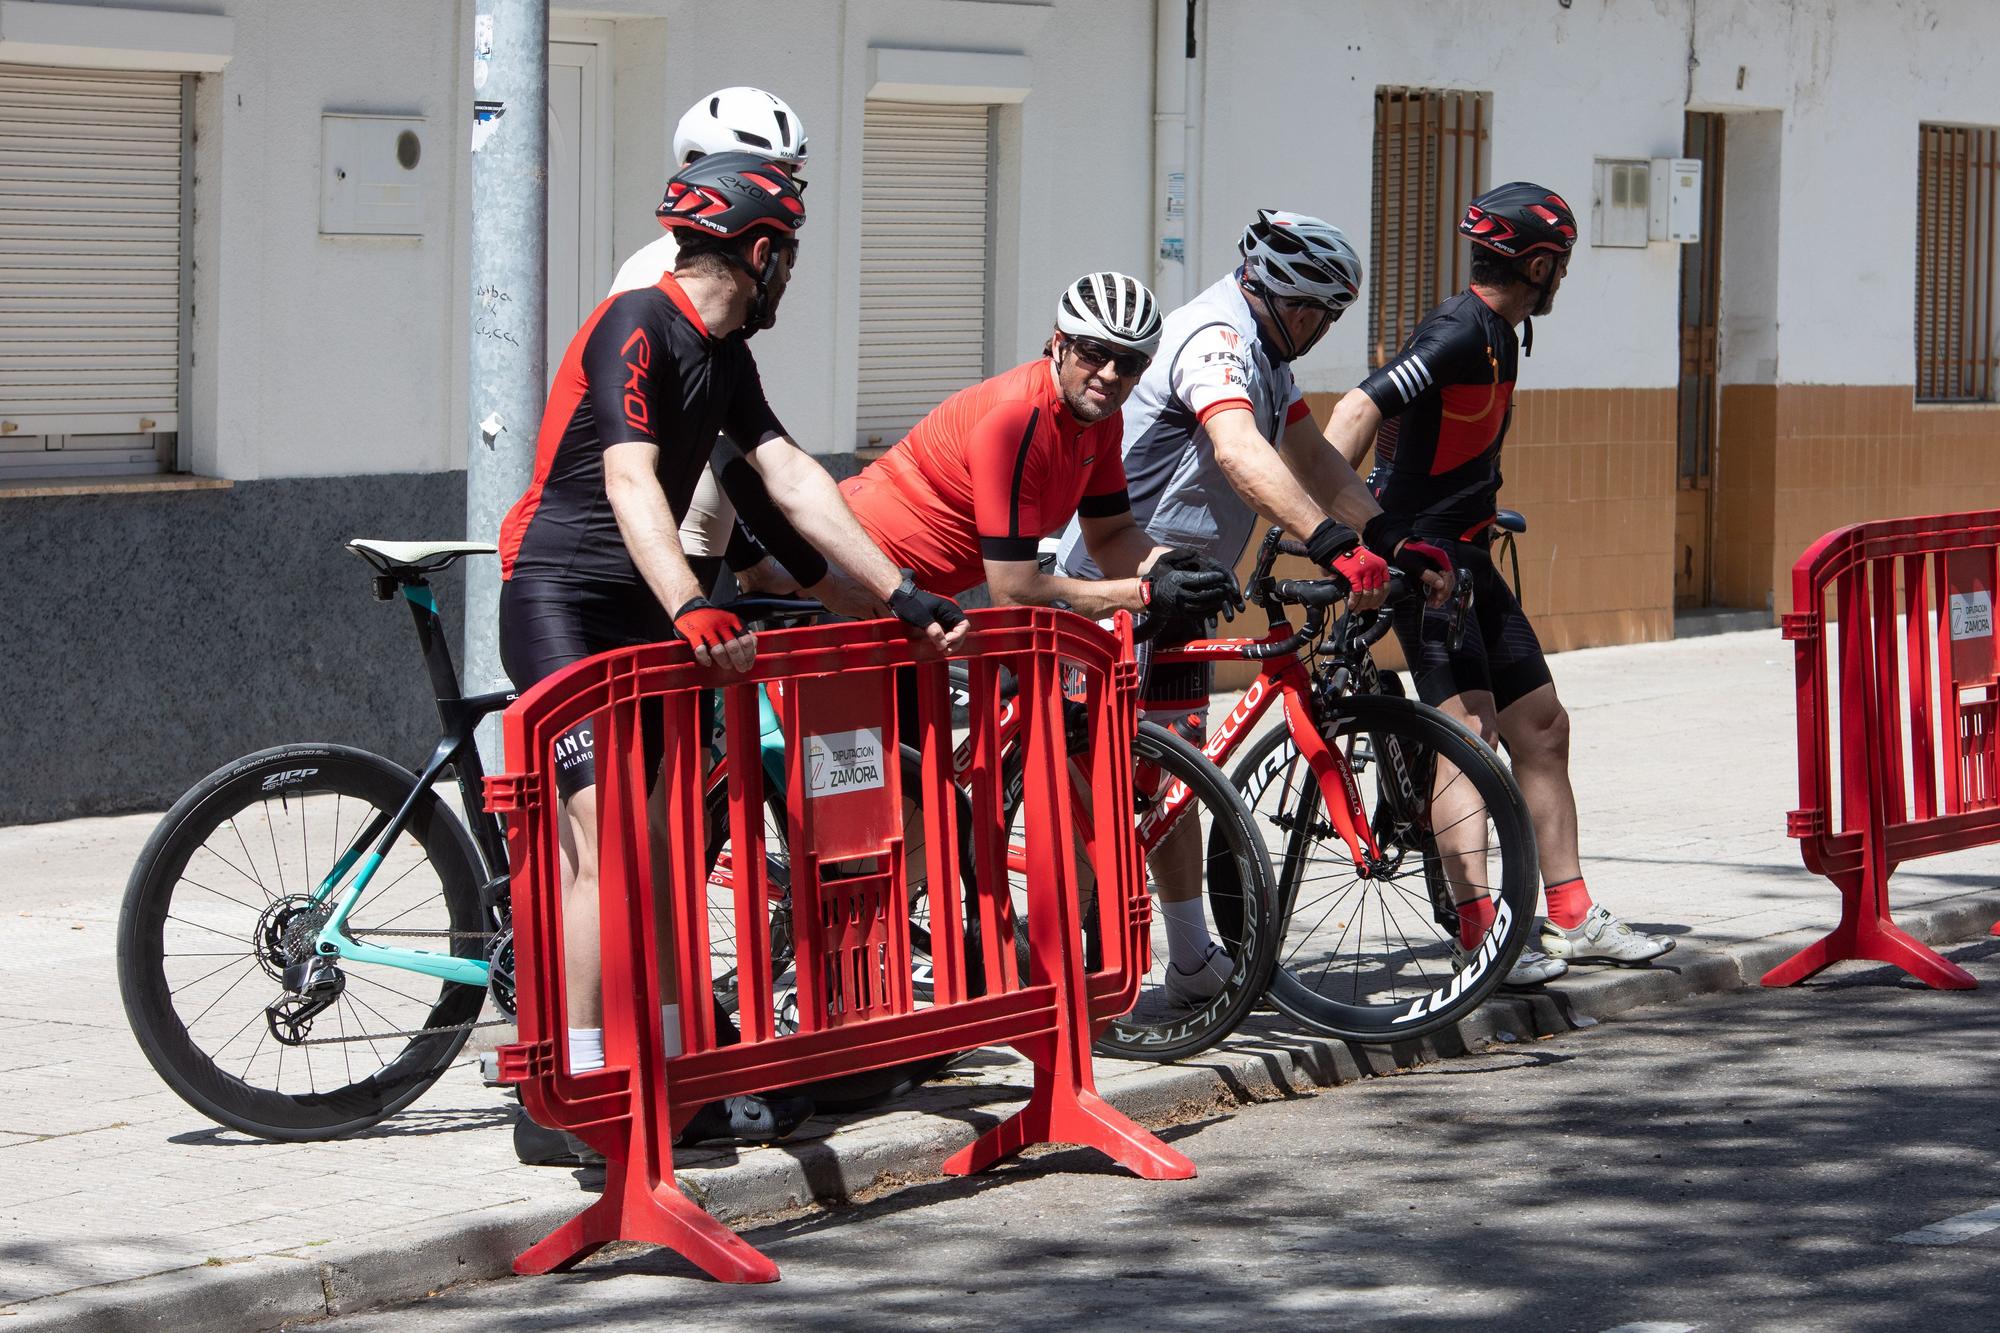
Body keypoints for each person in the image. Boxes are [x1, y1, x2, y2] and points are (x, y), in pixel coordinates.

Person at [496, 152, 967, 1159]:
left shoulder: (727, 357)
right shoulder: (637, 322)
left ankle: (676, 1078)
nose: (789, 279)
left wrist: (897, 590)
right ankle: (572, 1098)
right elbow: (628, 482)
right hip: (564, 603)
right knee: (605, 851)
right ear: (759, 251)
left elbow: (790, 474)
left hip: (647, 615)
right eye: (787, 258)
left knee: (665, 854)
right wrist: (689, 605)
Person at [1050, 212, 1465, 990]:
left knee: (1168, 781)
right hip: (1115, 587)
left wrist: (1388, 535)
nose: (1318, 328)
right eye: (1318, 312)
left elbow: (1309, 456)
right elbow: (1241, 451)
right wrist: (1329, 540)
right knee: (1094, 789)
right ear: (1287, 300)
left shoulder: (1265, 351)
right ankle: (1066, 977)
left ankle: (1193, 963)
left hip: (1179, 591)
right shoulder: (1218, 338)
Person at [839, 271, 1244, 1005]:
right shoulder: (1016, 420)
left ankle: (892, 969)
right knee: (886, 809)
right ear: (1058, 345)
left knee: (930, 802)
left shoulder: (1099, 422)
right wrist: (1141, 590)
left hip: (924, 603)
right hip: (862, 590)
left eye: (1132, 362)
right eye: (1095, 352)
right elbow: (1016, 589)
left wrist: (1174, 565)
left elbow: (1113, 532)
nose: (1112, 373)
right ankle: (831, 974)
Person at [1322, 180, 1673, 976]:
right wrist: (1327, 530)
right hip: (1428, 564)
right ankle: (1480, 933)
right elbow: (1358, 407)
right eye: (1565, 264)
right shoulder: (1457, 332)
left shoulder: (1499, 333)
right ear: (1539, 263)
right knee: (1468, 740)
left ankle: (1573, 915)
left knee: (1543, 726)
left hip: (1473, 555)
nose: (1567, 278)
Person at [609, 86, 819, 600]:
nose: (784, 196)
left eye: (789, 179)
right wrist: (785, 559)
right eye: (766, 176)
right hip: (669, 533)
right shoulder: (661, 279)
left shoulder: (729, 274)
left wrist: (754, 558)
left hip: (709, 523)